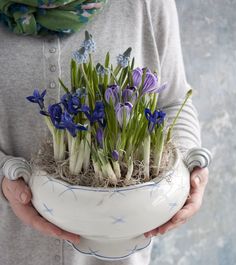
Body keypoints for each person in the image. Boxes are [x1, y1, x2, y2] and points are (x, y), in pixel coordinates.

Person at [0, 0, 209, 264]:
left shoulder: (146, 4)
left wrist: (189, 166)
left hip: (118, 250)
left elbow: (174, 99)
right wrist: (4, 176)